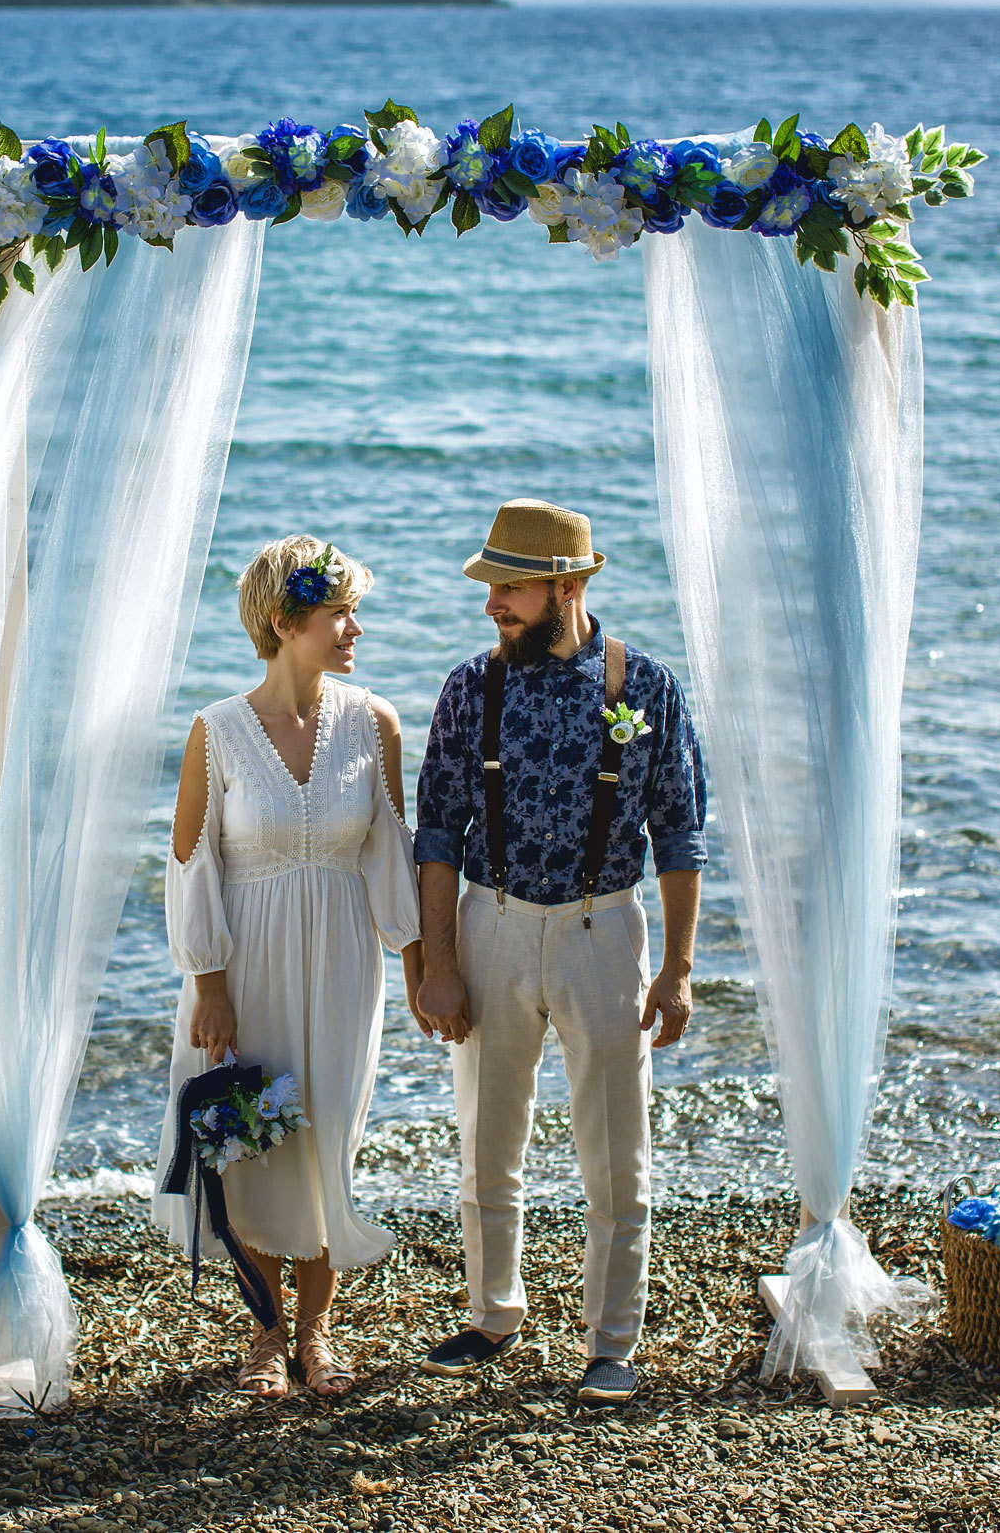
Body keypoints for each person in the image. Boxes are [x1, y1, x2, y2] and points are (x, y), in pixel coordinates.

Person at [409, 498, 708, 1406]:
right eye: (493, 586)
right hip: (490, 922)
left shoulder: (645, 686)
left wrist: (679, 968)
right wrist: (437, 961)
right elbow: (436, 833)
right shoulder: (470, 686)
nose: (492, 603)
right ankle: (494, 1313)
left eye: (510, 588)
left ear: (568, 587)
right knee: (486, 1139)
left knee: (616, 1146)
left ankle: (611, 1340)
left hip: (603, 929)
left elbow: (681, 834)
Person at [151, 535, 425, 1398]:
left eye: (354, 610)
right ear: (283, 620)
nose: (355, 628)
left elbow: (393, 859)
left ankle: (317, 1332)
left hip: (344, 963)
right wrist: (210, 982)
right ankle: (268, 1331)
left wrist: (421, 973)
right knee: (253, 1140)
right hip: (250, 965)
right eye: (339, 611)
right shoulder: (217, 732)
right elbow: (190, 861)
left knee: (326, 1140)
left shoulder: (374, 722)